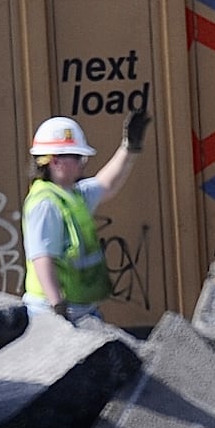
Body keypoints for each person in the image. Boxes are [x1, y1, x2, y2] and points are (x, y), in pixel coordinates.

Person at [22, 109, 150, 326]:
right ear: (55, 161)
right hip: (52, 313)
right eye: (77, 157)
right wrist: (57, 306)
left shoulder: (73, 194)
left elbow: (106, 184)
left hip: (79, 310)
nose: (83, 163)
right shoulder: (46, 203)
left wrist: (129, 149)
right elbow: (42, 258)